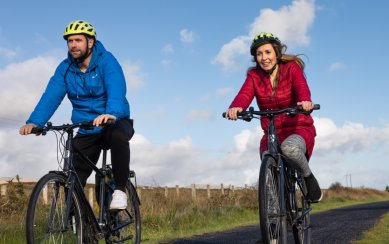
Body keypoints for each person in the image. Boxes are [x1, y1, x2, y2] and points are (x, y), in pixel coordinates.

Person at [19, 20, 134, 209]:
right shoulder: (65, 68)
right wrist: (35, 122)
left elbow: (117, 90)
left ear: (90, 42)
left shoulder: (107, 61)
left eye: (78, 40)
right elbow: (51, 96)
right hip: (87, 126)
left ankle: (120, 190)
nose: (73, 45)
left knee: (119, 137)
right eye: (70, 41)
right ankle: (81, 224)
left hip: (113, 120)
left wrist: (111, 114)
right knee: (73, 178)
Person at [225, 32, 322, 202]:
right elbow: (245, 94)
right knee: (267, 165)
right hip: (272, 133)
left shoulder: (291, 68)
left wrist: (305, 101)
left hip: (298, 128)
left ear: (276, 53)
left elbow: (301, 87)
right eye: (259, 54)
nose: (264, 57)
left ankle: (307, 177)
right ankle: (274, 215)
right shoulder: (254, 76)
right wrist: (236, 107)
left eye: (267, 52)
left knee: (289, 148)